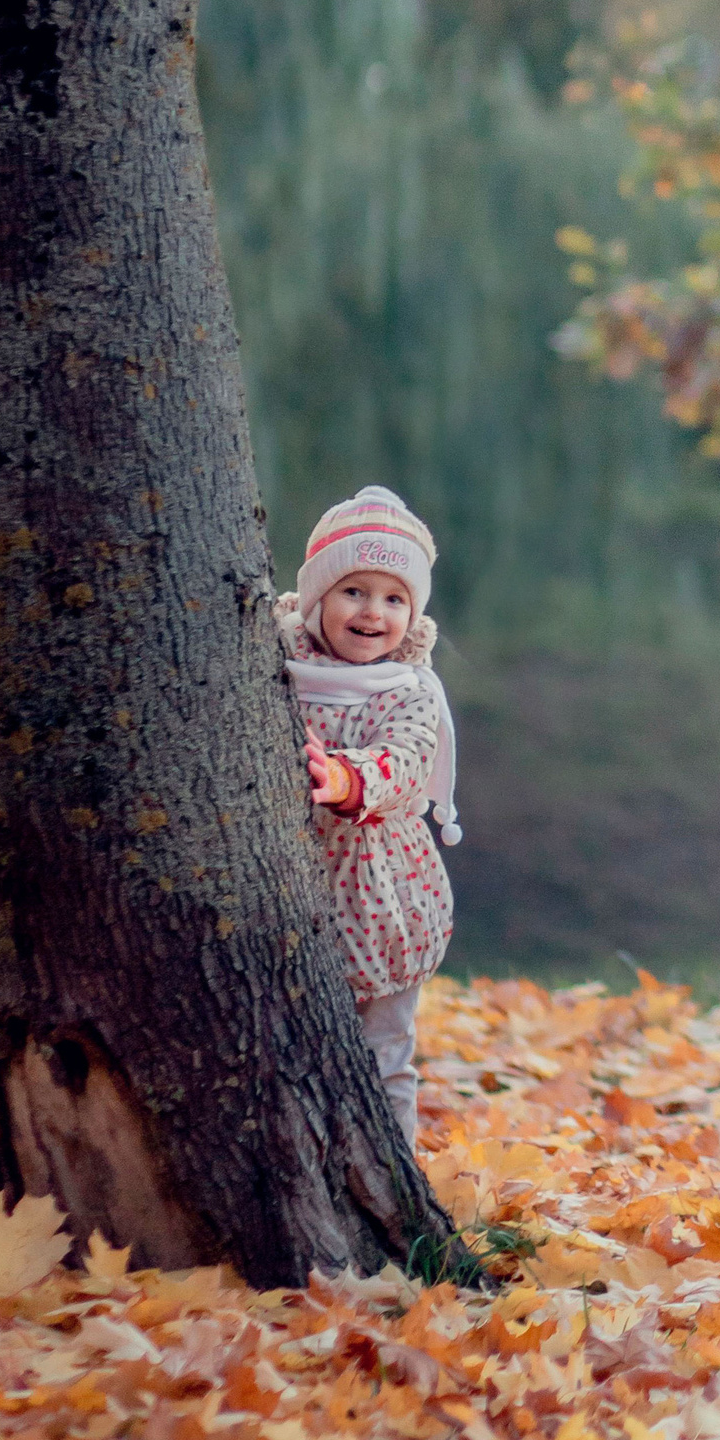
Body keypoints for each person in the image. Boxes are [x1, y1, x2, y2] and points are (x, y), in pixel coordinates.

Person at [276, 486, 460, 1146]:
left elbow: (407, 760)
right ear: (317, 595)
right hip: (294, 893)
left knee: (385, 1052)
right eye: (354, 589)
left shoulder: (409, 691)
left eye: (394, 597)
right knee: (292, 1050)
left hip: (381, 898)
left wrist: (347, 778)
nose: (372, 612)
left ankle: (395, 1172)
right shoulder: (278, 665)